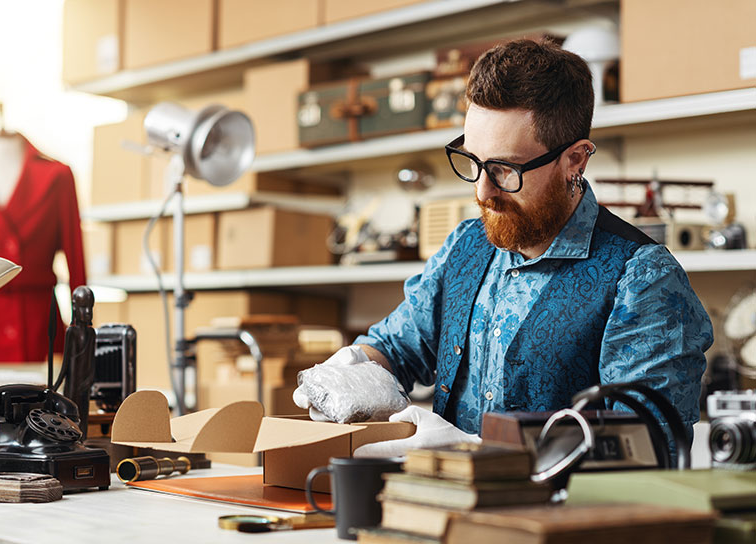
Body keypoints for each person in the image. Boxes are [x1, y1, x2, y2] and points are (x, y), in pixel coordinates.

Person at [294, 39, 713, 457]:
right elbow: (397, 348)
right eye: (473, 161)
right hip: (442, 509)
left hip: (555, 521)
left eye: (505, 169)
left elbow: (647, 449)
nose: (482, 190)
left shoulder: (641, 278)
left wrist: (477, 451)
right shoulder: (467, 245)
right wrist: (351, 372)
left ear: (576, 161)